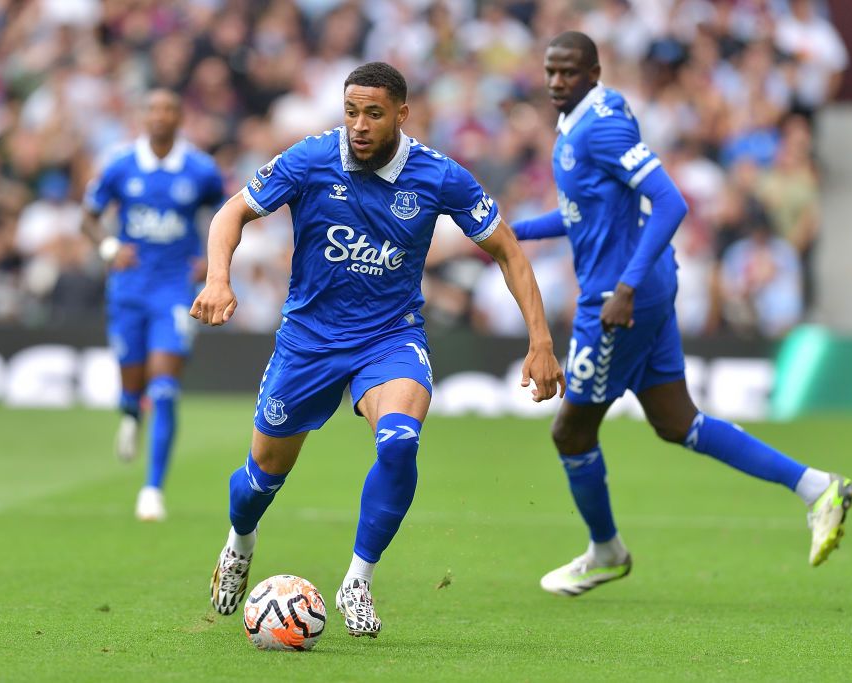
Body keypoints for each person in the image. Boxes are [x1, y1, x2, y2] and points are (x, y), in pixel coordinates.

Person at [190, 62, 566, 637]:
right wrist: (219, 278)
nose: (359, 125)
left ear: (401, 115)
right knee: (261, 478)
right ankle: (240, 542)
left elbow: (510, 252)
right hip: (309, 341)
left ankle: (358, 580)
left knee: (398, 444)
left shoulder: (439, 176)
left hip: (389, 338)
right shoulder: (311, 159)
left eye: (372, 113)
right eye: (350, 112)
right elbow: (232, 212)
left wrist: (540, 341)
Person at [512, 31, 852, 597]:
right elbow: (587, 214)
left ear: (594, 72)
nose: (556, 82)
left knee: (571, 432)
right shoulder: (583, 116)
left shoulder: (601, 125)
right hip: (646, 284)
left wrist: (623, 288)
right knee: (678, 423)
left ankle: (606, 551)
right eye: (550, 71)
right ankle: (817, 487)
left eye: (568, 72)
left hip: (621, 298)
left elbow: (671, 201)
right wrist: (514, 232)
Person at [83, 89, 224, 522]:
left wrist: (211, 258)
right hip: (128, 287)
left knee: (164, 389)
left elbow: (225, 213)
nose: (160, 116)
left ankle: (152, 489)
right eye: (153, 109)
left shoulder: (200, 169)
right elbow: (88, 216)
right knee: (133, 381)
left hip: (175, 290)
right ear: (143, 117)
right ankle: (129, 412)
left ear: (180, 118)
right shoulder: (122, 165)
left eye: (168, 109)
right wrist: (108, 248)